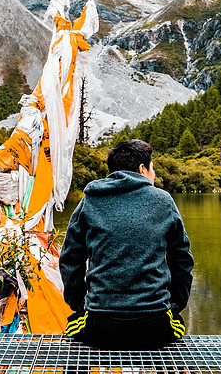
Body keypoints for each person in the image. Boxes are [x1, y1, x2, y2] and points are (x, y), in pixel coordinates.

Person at [59, 138, 194, 349]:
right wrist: (174, 305)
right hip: (156, 326)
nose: (154, 174)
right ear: (142, 169)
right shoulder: (163, 200)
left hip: (99, 326)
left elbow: (69, 259)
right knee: (176, 326)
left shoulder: (90, 200)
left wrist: (80, 305)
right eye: (152, 168)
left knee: (72, 328)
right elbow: (182, 260)